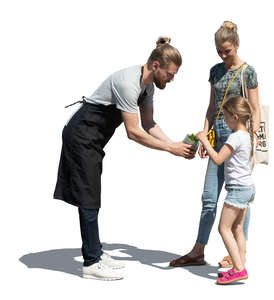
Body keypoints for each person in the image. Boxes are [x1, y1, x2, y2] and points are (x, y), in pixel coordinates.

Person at [53, 37, 195, 281]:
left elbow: (149, 124)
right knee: (88, 195)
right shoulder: (128, 83)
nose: (172, 79)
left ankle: (94, 250)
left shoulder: (148, 87)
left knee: (91, 192)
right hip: (81, 134)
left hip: (94, 139)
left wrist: (174, 144)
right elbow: (134, 132)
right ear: (155, 66)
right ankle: (91, 262)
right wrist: (169, 149)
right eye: (170, 74)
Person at [170, 21, 260, 268]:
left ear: (237, 44)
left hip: (239, 139)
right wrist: (206, 135)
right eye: (219, 50)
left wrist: (255, 149)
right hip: (218, 137)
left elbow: (255, 111)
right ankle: (198, 250)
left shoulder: (247, 72)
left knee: (239, 197)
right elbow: (211, 107)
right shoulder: (215, 71)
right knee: (209, 197)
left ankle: (237, 255)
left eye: (227, 50)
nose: (223, 55)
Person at [196, 95, 256, 284]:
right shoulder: (247, 136)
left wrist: (204, 140)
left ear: (235, 117)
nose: (224, 120)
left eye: (226, 117)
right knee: (237, 228)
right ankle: (241, 263)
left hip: (237, 190)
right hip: (247, 188)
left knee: (224, 228)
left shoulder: (235, 137)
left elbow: (218, 159)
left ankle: (238, 269)